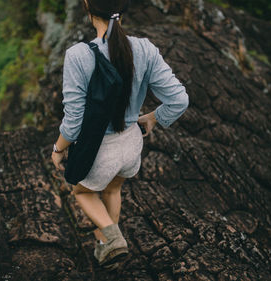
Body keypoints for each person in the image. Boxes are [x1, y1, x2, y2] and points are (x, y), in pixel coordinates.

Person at [51, 0, 189, 267]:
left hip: (101, 151)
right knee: (113, 190)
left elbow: (73, 122)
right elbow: (179, 100)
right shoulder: (144, 48)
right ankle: (106, 248)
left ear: (88, 9)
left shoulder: (79, 55)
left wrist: (58, 149)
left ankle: (113, 239)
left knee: (82, 192)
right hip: (131, 145)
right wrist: (153, 117)